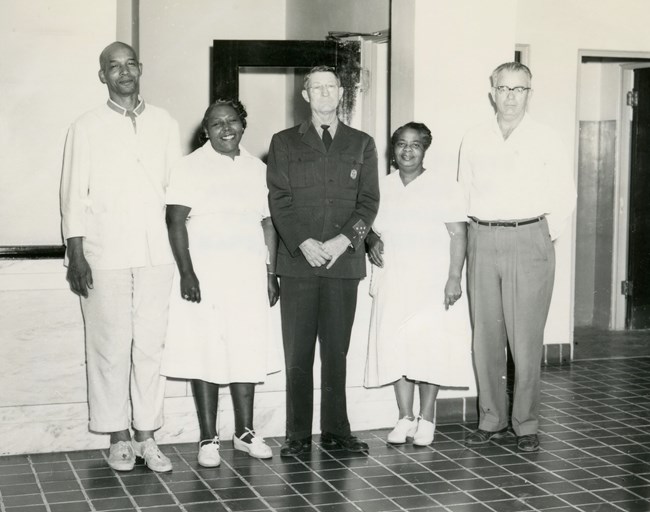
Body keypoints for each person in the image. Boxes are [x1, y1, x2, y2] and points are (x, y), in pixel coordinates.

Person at [60, 42, 182, 472]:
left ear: (140, 69)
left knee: (150, 346)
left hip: (157, 254)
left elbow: (177, 194)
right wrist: (76, 254)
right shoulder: (86, 126)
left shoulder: (165, 123)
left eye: (130, 64)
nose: (124, 72)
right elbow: (72, 195)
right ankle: (118, 437)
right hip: (104, 253)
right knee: (109, 347)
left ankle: (148, 435)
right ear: (103, 76)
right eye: (114, 67)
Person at [458, 62, 576, 452]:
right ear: (492, 91)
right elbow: (463, 194)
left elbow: (565, 194)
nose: (510, 97)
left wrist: (542, 235)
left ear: (530, 92)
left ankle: (526, 424)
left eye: (519, 89)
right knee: (485, 338)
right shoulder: (474, 138)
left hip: (529, 238)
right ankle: (490, 419)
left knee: (525, 340)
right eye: (504, 88)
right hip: (483, 237)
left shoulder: (547, 138)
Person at [267, 65, 380, 456]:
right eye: (317, 87)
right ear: (306, 95)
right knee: (298, 353)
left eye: (331, 86)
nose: (325, 93)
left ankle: (337, 431)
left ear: (341, 92)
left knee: (336, 350)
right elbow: (278, 201)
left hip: (342, 262)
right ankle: (297, 436)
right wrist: (303, 241)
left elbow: (369, 203)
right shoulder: (283, 142)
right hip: (298, 262)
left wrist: (342, 241)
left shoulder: (362, 142)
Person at [161, 99, 279, 467]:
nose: (225, 128)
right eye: (216, 123)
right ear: (205, 131)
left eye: (232, 121)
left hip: (247, 272)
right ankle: (208, 438)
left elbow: (268, 223)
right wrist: (187, 272)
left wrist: (270, 272)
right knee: (207, 351)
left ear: (243, 125)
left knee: (245, 348)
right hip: (206, 274)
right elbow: (175, 221)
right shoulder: (189, 167)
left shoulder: (258, 168)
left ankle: (244, 432)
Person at [365, 122, 473, 446]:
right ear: (393, 149)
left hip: (432, 278)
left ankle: (427, 418)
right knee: (396, 346)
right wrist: (370, 239)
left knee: (428, 347)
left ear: (425, 149)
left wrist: (454, 277)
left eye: (415, 145)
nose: (407, 150)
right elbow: (367, 225)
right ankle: (404, 417)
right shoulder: (380, 186)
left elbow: (458, 234)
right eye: (401, 144)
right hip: (394, 277)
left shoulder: (444, 186)